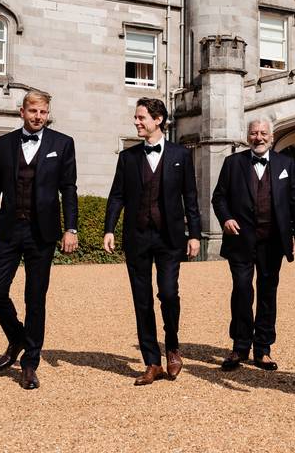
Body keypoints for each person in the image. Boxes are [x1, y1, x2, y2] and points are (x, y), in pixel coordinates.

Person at [0, 89, 79, 390]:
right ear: (22, 112)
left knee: (35, 298)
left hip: (42, 233)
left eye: (43, 112)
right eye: (33, 111)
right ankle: (17, 336)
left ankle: (30, 363)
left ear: (48, 113)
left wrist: (71, 228)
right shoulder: (5, 144)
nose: (38, 117)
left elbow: (69, 189)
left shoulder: (63, 143)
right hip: (8, 230)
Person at [103, 97, 202, 386]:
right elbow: (117, 195)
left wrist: (194, 234)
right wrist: (109, 229)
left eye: (141, 117)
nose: (136, 122)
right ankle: (152, 362)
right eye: (136, 118)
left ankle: (172, 345)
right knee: (142, 300)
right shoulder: (127, 157)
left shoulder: (180, 155)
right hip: (137, 237)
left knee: (169, 294)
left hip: (169, 237)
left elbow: (191, 198)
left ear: (158, 120)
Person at [211, 117, 295, 372]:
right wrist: (227, 218)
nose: (259, 137)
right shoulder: (233, 163)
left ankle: (262, 348)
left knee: (267, 292)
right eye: (254, 133)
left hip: (273, 240)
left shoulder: (286, 163)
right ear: (247, 137)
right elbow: (218, 198)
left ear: (272, 137)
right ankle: (240, 346)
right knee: (242, 289)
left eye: (264, 133)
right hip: (240, 239)